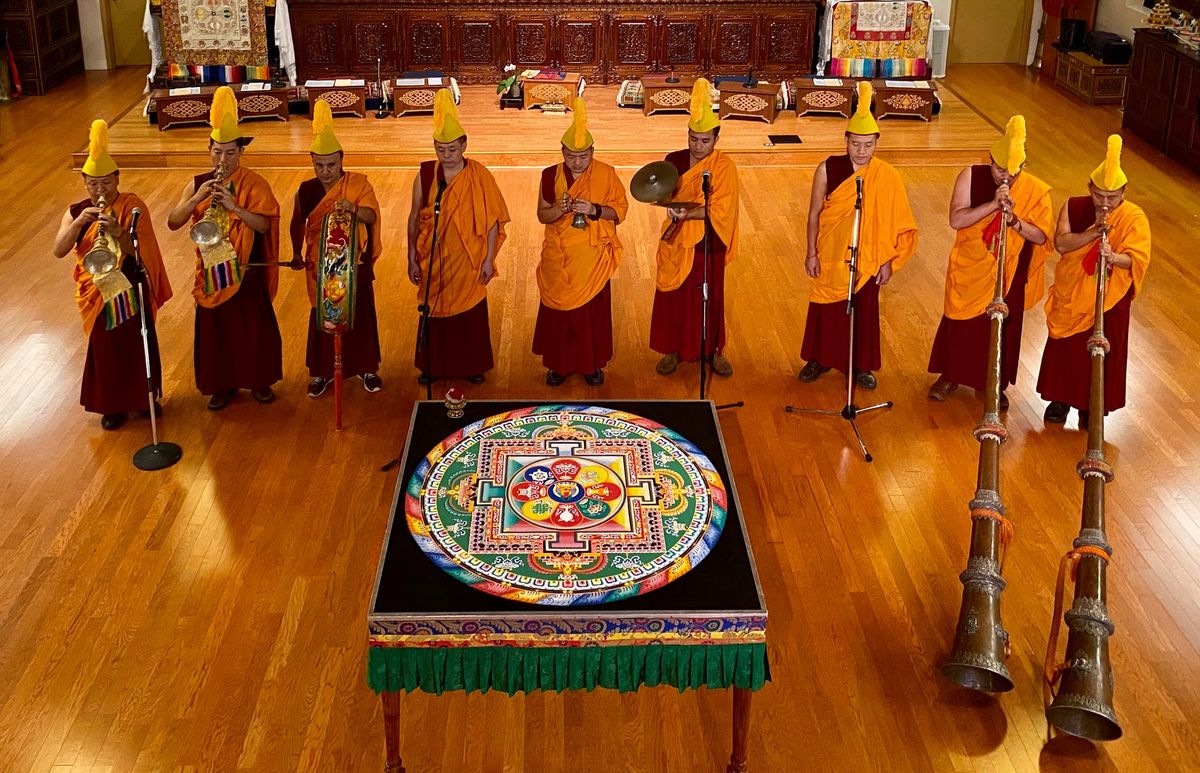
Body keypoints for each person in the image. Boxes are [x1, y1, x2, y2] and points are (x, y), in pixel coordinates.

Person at [167, 86, 283, 411]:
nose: (223, 159)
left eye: (230, 153)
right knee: (217, 331)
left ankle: (259, 381)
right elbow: (174, 222)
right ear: (209, 149)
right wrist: (196, 199)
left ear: (240, 152)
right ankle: (222, 385)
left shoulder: (254, 183)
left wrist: (235, 208)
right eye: (217, 152)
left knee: (252, 328)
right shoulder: (197, 183)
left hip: (245, 268)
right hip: (211, 269)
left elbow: (263, 226)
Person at [52, 119, 173, 430]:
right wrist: (80, 224)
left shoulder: (132, 206)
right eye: (93, 183)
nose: (100, 190)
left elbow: (142, 252)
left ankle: (144, 399)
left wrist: (119, 233)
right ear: (84, 182)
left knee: (137, 342)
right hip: (97, 291)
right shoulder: (76, 211)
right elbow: (59, 250)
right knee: (105, 348)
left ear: (117, 179)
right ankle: (113, 405)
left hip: (128, 287)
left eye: (106, 183)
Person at [927, 115, 1053, 409]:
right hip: (972, 263)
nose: (1006, 177)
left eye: (1014, 172)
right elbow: (956, 219)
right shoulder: (970, 176)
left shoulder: (1035, 190)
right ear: (990, 160)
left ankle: (992, 383)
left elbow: (1042, 236)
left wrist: (1015, 222)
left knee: (1002, 325)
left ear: (1024, 167)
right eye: (999, 170)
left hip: (1010, 267)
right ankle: (951, 375)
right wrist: (992, 205)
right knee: (962, 322)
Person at [799, 81, 918, 389]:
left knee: (864, 311)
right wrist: (811, 252)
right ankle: (819, 358)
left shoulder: (886, 176)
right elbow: (814, 213)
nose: (861, 151)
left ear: (877, 143)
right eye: (855, 144)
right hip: (831, 252)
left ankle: (861, 365)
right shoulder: (828, 168)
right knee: (826, 307)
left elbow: (896, 222)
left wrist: (887, 261)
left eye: (868, 145)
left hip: (869, 257)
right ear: (846, 140)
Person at [1036, 135, 1151, 427]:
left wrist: (1114, 257)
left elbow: (1137, 258)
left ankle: (1092, 406)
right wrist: (1094, 232)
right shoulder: (1074, 207)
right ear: (1089, 188)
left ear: (1124, 193)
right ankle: (1059, 399)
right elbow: (1061, 244)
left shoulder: (1134, 217)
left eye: (1112, 197)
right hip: (1073, 292)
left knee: (1100, 350)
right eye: (1099, 195)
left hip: (1110, 295)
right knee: (1066, 347)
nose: (1105, 203)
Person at [407, 88, 510, 385]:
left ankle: (472, 364)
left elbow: (492, 222)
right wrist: (411, 258)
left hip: (469, 258)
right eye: (441, 149)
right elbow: (415, 218)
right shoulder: (426, 175)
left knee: (469, 312)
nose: (447, 156)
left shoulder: (479, 175)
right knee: (434, 309)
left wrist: (489, 259)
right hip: (433, 259)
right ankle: (432, 366)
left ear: (464, 144)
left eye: (452, 149)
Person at [290, 100, 384, 397]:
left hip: (353, 262)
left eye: (331, 165)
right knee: (323, 317)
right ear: (312, 162)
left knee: (362, 313)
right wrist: (295, 254)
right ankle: (322, 372)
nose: (325, 171)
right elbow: (297, 224)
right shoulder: (307, 189)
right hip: (321, 266)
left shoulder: (357, 184)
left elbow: (371, 216)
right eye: (319, 165)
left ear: (341, 161)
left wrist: (354, 209)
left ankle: (367, 368)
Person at [533, 97, 629, 386]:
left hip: (592, 256)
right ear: (562, 152)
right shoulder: (549, 175)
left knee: (591, 314)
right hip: (559, 255)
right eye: (572, 156)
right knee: (559, 314)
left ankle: (591, 365)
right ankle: (559, 366)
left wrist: (595, 210)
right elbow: (542, 215)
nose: (578, 162)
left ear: (592, 152)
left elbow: (620, 211)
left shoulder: (605, 174)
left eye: (583, 157)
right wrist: (560, 209)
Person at [649, 78, 740, 378]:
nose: (698, 146)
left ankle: (712, 350)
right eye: (693, 139)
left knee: (708, 295)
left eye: (705, 141)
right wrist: (665, 203)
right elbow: (662, 193)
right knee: (675, 295)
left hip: (708, 241)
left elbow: (721, 209)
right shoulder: (673, 161)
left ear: (716, 139)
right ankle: (672, 349)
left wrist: (690, 214)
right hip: (678, 238)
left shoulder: (724, 167)